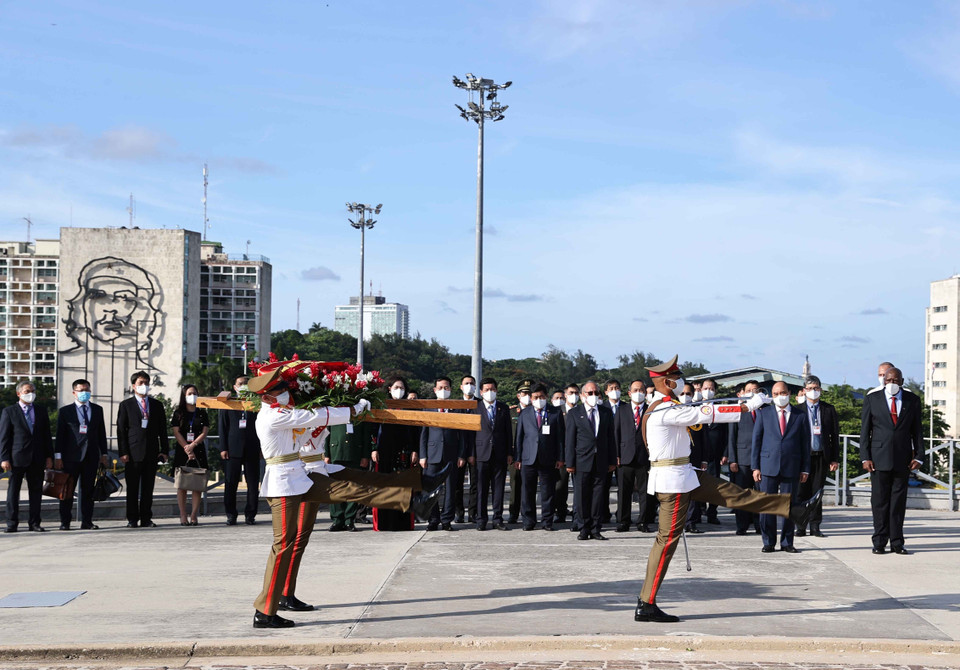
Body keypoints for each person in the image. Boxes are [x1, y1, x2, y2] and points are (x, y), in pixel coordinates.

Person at [247, 368, 446, 628]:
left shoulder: (283, 414)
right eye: (280, 390)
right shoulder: (273, 416)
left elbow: (308, 428)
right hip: (283, 484)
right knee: (284, 544)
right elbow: (313, 416)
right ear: (267, 397)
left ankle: (414, 499)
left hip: (300, 477)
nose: (286, 393)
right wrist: (352, 410)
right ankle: (264, 612)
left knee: (353, 488)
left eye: (286, 388)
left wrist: (331, 417)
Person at [635, 355, 821, 623]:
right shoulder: (664, 410)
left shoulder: (665, 407)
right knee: (666, 542)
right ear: (667, 382)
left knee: (737, 495)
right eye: (677, 378)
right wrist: (748, 406)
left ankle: (794, 510)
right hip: (673, 482)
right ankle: (646, 603)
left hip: (686, 474)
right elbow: (709, 413)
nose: (682, 382)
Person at [859, 366, 923, 555]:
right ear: (883, 381)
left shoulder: (912, 400)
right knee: (879, 503)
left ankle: (897, 542)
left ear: (902, 382)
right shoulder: (872, 399)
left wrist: (919, 456)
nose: (892, 383)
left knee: (898, 504)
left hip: (903, 459)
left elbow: (917, 431)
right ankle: (879, 542)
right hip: (878, 459)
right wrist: (865, 457)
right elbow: (865, 431)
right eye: (888, 380)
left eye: (895, 380)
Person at [751, 381, 811, 553]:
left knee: (788, 506)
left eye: (783, 393)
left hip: (791, 466)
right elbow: (756, 441)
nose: (780, 396)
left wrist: (805, 468)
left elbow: (805, 444)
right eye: (776, 394)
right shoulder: (764, 413)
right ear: (772, 396)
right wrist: (755, 467)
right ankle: (768, 541)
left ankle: (787, 542)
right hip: (768, 465)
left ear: (789, 393)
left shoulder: (800, 415)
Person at [55, 379, 109, 530]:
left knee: (88, 491)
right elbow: (60, 436)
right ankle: (65, 522)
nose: (84, 393)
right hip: (70, 457)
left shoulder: (97, 409)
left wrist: (104, 454)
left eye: (87, 390)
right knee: (67, 491)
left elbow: (101, 433)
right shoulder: (65, 411)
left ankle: (87, 521)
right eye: (81, 390)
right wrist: (58, 457)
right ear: (74, 392)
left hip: (91, 456)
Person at [116, 370, 168, 528]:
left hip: (151, 452)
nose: (144, 385)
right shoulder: (126, 405)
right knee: (132, 488)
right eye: (140, 383)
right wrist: (123, 452)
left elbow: (163, 430)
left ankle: (146, 518)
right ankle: (132, 519)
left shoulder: (157, 405)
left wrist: (164, 450)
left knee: (148, 488)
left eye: (146, 383)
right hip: (132, 453)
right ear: (134, 386)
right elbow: (121, 430)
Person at [565, 380, 616, 540]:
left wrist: (612, 460)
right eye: (590, 393)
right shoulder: (574, 413)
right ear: (582, 395)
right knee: (581, 496)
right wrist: (570, 463)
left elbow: (610, 438)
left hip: (601, 461)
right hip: (581, 461)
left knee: (598, 496)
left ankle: (595, 528)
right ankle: (583, 528)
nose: (593, 395)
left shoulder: (606, 412)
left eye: (596, 393)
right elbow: (570, 440)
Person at [1, 381, 53, 532]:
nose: (30, 394)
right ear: (19, 394)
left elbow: (46, 436)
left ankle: (34, 523)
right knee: (13, 492)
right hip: (16, 458)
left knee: (36, 492)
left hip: (37, 457)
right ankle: (12, 523)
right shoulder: (9, 411)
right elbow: (4, 437)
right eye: (27, 391)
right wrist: (4, 458)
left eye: (33, 391)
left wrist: (49, 456)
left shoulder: (41, 411)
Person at [419, 376, 467, 531]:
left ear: (450, 389)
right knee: (431, 489)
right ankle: (433, 520)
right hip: (432, 454)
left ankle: (447, 520)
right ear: (435, 390)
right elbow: (424, 434)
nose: (443, 390)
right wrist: (422, 455)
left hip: (451, 454)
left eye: (446, 388)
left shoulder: (457, 408)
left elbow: (462, 435)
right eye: (440, 388)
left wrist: (461, 455)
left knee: (451, 489)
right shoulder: (428, 408)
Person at [372, 377, 419, 531]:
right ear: (389, 388)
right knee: (384, 487)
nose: (399, 390)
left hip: (405, 452)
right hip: (384, 452)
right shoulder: (381, 406)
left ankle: (402, 523)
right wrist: (373, 448)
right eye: (396, 387)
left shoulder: (409, 407)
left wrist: (415, 450)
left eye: (402, 388)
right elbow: (373, 429)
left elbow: (416, 431)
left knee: (403, 488)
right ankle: (384, 523)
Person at [516, 383, 564, 530]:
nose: (539, 399)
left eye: (542, 397)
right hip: (528, 458)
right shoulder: (524, 413)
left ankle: (547, 521)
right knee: (527, 491)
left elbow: (560, 438)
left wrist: (560, 458)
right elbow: (519, 437)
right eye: (536, 397)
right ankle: (528, 521)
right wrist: (518, 458)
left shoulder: (555, 412)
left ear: (547, 397)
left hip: (548, 458)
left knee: (547, 491)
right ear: (531, 398)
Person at [795, 376, 840, 537]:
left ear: (820, 389)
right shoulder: (797, 410)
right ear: (804, 390)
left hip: (821, 456)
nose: (813, 391)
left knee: (817, 492)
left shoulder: (828, 409)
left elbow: (834, 435)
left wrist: (834, 458)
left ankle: (815, 526)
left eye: (816, 388)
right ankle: (800, 526)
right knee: (801, 492)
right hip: (803, 457)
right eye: (809, 388)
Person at [469, 377, 513, 530]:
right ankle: (481, 519)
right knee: (481, 488)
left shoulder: (503, 408)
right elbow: (471, 434)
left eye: (492, 389)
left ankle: (498, 518)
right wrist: (471, 453)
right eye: (487, 390)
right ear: (481, 392)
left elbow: (508, 432)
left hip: (500, 454)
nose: (490, 392)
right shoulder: (475, 407)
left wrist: (509, 452)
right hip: (481, 453)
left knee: (498, 488)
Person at [219, 375, 263, 526]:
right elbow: (222, 426)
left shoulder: (256, 403)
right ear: (235, 387)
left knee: (253, 484)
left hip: (252, 448)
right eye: (240, 383)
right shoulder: (228, 403)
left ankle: (250, 514)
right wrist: (223, 447)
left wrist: (262, 447)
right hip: (232, 449)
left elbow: (262, 427)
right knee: (231, 483)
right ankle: (231, 514)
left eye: (246, 383)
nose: (243, 385)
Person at [726, 380, 762, 535]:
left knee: (759, 494)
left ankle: (760, 525)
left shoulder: (765, 410)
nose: (752, 393)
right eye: (749, 390)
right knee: (742, 494)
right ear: (743, 393)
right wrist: (732, 459)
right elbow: (731, 437)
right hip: (742, 459)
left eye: (756, 390)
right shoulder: (738, 410)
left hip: (761, 459)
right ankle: (742, 525)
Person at [614, 379, 650, 533]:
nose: (638, 393)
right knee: (624, 491)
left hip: (644, 457)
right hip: (625, 456)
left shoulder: (650, 410)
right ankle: (623, 521)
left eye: (641, 390)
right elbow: (616, 433)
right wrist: (616, 454)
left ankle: (643, 521)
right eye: (635, 390)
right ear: (629, 393)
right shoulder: (621, 410)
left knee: (645, 492)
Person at [171, 385, 210, 526]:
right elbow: (176, 432)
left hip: (198, 450)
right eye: (189, 393)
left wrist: (193, 445)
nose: (192, 395)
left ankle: (194, 514)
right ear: (184, 395)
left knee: (197, 484)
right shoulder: (178, 413)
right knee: (182, 485)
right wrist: (187, 448)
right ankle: (183, 515)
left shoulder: (202, 412)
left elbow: (204, 431)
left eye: (194, 393)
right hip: (182, 451)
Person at [325, 421, 373, 532]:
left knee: (353, 488)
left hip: (355, 452)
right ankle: (337, 520)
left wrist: (365, 455)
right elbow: (326, 433)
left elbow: (366, 435)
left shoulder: (361, 414)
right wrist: (327, 454)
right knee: (336, 488)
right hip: (336, 452)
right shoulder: (334, 412)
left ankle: (349, 520)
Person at [698, 379, 728, 526]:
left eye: (711, 388)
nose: (708, 391)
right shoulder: (694, 407)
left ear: (715, 391)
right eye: (705, 388)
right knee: (697, 484)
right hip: (698, 454)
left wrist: (725, 453)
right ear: (700, 390)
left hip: (715, 454)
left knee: (715, 486)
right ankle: (697, 513)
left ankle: (712, 513)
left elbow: (726, 433)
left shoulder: (720, 409)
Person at [453, 375, 478, 524]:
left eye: (472, 383)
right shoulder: (455, 405)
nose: (469, 386)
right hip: (458, 452)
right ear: (461, 387)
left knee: (475, 484)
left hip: (477, 450)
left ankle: (473, 513)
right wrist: (460, 454)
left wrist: (472, 452)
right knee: (457, 484)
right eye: (466, 383)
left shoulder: (480, 404)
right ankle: (459, 513)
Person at [507, 380, 533, 524]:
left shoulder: (536, 411)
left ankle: (528, 514)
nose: (527, 396)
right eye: (524, 393)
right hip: (515, 453)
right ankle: (513, 513)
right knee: (515, 484)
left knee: (530, 485)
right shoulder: (511, 412)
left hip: (532, 453)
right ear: (518, 395)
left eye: (530, 393)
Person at [554, 383, 579, 525]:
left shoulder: (582, 410)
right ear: (565, 395)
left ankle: (577, 514)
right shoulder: (557, 411)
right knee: (560, 486)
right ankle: (560, 513)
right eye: (571, 393)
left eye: (576, 393)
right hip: (562, 455)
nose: (573, 395)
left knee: (579, 487)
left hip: (579, 454)